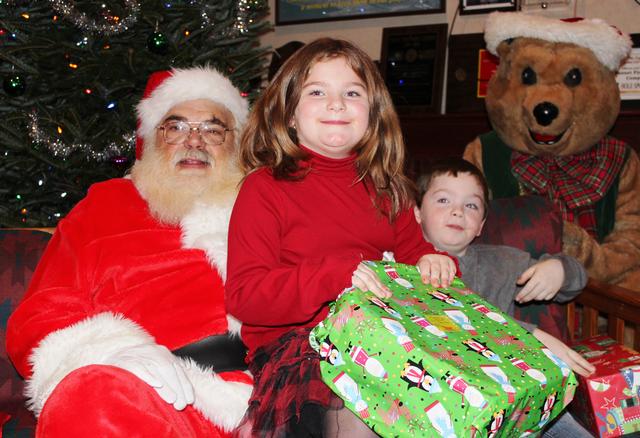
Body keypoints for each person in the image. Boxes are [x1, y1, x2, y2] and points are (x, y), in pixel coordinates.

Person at [225, 38, 458, 437]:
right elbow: (246, 296)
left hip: (387, 341)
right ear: (290, 115)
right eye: (317, 92)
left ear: (373, 114)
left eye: (352, 93)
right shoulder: (265, 188)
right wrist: (335, 275)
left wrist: (434, 260)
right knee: (360, 408)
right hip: (301, 346)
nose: (336, 104)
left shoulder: (388, 188)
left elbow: (415, 253)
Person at [6, 67, 253, 437]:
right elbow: (42, 312)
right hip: (135, 389)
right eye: (177, 127)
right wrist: (110, 351)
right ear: (150, 138)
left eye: (213, 129)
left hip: (258, 392)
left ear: (235, 143)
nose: (195, 141)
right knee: (89, 397)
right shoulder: (103, 205)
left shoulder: (264, 204)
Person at [413, 157, 595, 437]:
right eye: (443, 201)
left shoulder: (502, 262)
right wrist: (530, 335)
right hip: (438, 401)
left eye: (471, 205)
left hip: (515, 396)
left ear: (481, 225)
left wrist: (559, 269)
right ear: (417, 213)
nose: (458, 212)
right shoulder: (402, 265)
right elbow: (450, 329)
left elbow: (577, 277)